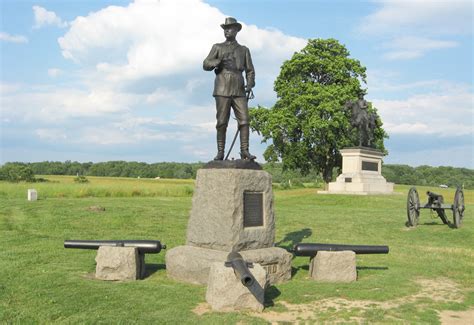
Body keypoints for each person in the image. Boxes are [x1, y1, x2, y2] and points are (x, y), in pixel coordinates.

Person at [203, 17, 256, 160]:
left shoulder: (244, 50)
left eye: (230, 28)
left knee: (244, 121)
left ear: (236, 30)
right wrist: (218, 61)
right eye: (225, 28)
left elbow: (250, 70)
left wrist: (250, 84)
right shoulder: (217, 47)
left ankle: (244, 150)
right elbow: (206, 64)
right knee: (221, 122)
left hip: (239, 89)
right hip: (222, 88)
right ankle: (220, 152)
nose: (227, 30)